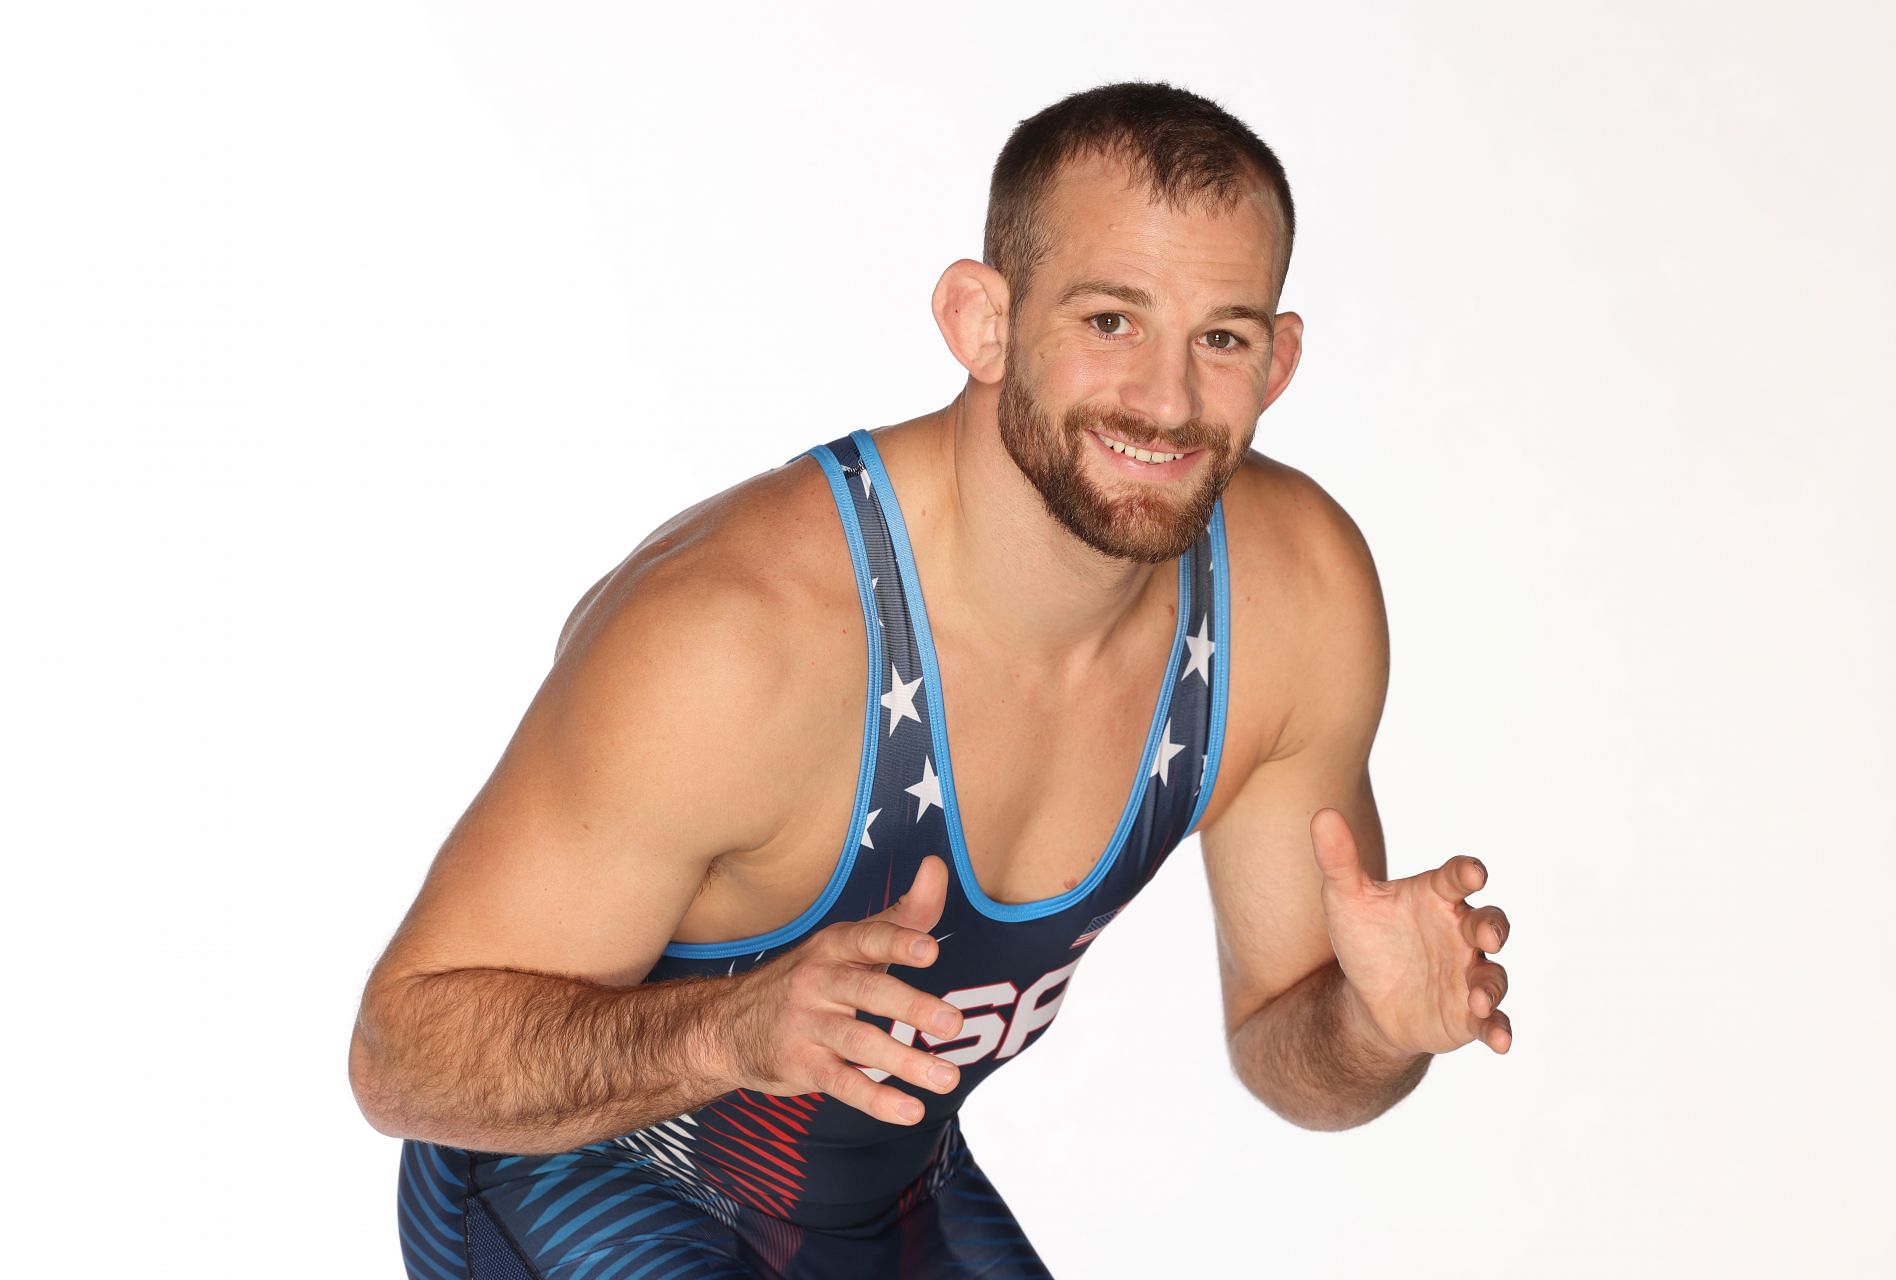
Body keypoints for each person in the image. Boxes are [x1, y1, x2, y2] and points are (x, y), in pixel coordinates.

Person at [348, 80, 1515, 1280]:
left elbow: (1289, 1050)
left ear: (1277, 363)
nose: (1167, 401)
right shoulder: (743, 637)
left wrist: (1374, 1027)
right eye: (1111, 320)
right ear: (982, 321)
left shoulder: (1294, 600)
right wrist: (725, 1030)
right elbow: (401, 1056)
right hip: (569, 1182)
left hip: (881, 1201)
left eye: (1219, 337)